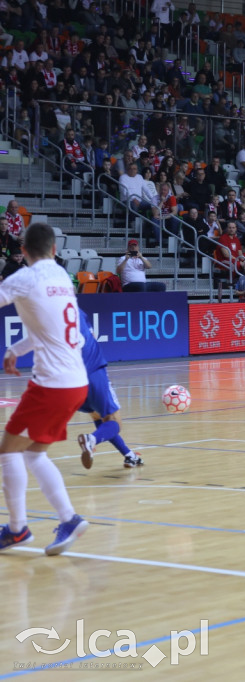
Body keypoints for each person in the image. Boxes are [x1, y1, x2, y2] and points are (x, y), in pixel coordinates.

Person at [0, 222, 89, 555]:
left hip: (51, 384)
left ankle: (17, 529)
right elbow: (48, 328)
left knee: (9, 449)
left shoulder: (24, 277)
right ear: (54, 249)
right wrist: (15, 350)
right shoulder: (63, 278)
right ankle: (67, 519)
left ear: (23, 252)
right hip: (75, 382)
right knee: (33, 453)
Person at [75, 315, 144, 470]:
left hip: (70, 381)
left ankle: (129, 456)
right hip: (92, 372)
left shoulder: (49, 315)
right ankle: (91, 439)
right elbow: (91, 338)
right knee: (114, 421)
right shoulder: (78, 312)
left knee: (98, 416)